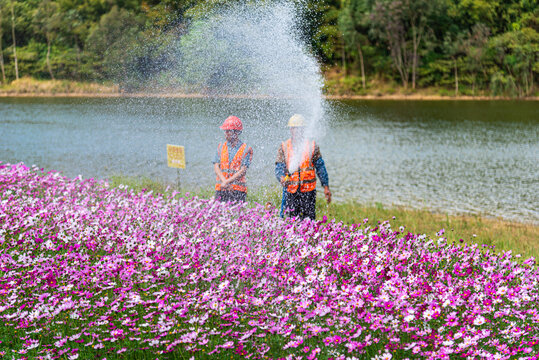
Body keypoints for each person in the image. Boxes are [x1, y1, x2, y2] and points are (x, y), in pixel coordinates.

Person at [275, 114, 331, 220]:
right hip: (291, 191)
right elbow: (279, 167)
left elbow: (321, 168)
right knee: (290, 222)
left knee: (308, 222)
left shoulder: (312, 146)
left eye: (298, 128)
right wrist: (281, 177)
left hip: (308, 192)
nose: (296, 131)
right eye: (293, 128)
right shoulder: (284, 146)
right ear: (290, 129)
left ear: (303, 129)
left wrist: (326, 187)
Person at [213, 116, 253, 203]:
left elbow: (243, 170)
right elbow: (216, 166)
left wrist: (227, 182)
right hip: (221, 188)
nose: (225, 133)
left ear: (235, 133)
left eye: (227, 131)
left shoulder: (246, 149)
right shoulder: (221, 146)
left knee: (236, 215)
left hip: (237, 190)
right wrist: (224, 182)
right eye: (225, 131)